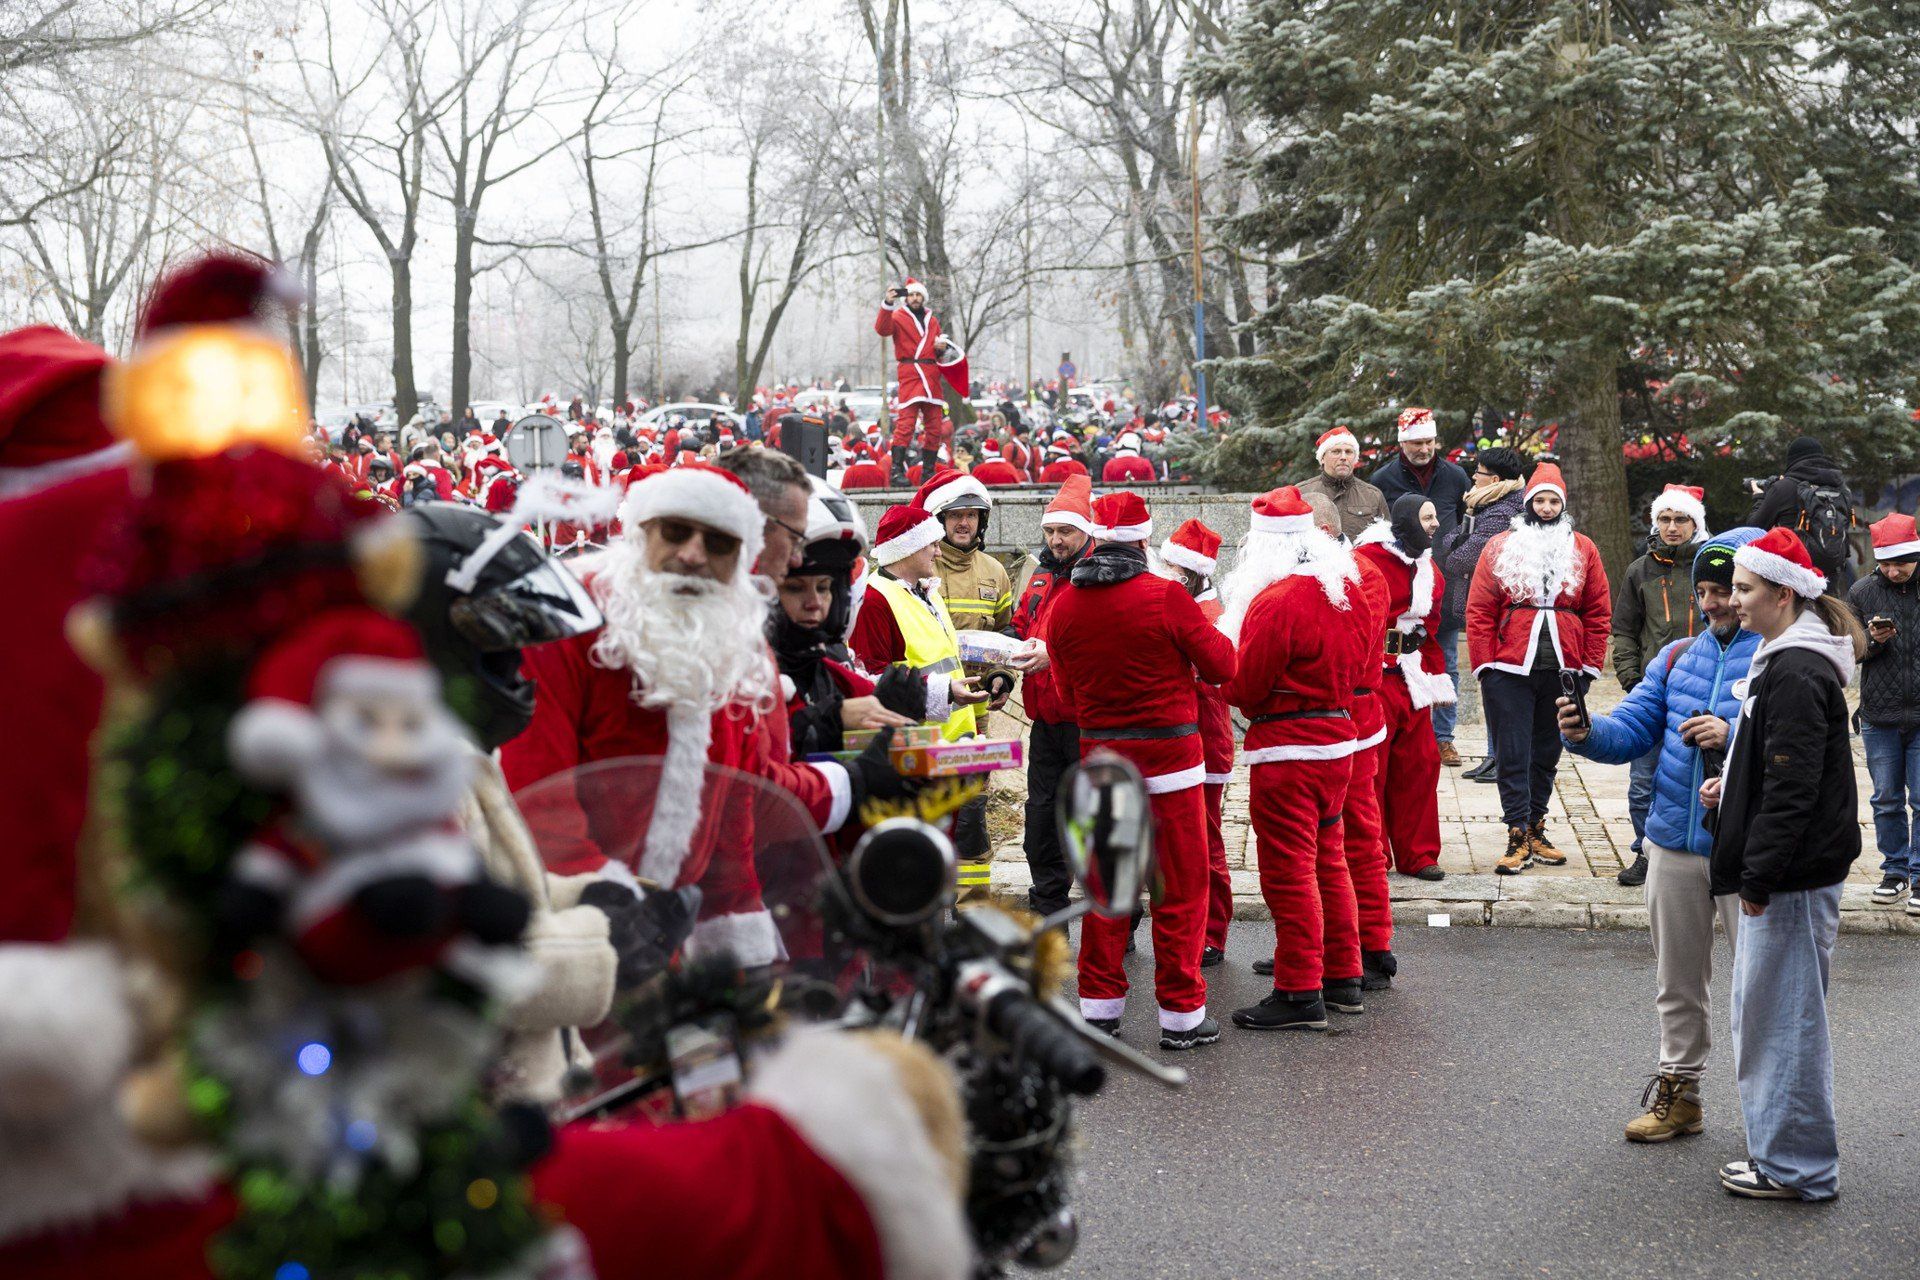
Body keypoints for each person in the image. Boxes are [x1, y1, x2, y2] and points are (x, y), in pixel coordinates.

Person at [501, 465, 911, 965]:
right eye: (676, 532)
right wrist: (610, 912)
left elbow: (736, 812)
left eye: (718, 543)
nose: (693, 554)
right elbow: (537, 800)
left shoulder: (735, 639)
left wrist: (741, 950)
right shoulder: (569, 618)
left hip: (670, 937)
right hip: (567, 933)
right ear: (642, 531)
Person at [1560, 528, 1764, 1143]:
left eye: (1727, 589)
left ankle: (1767, 1115)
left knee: (1759, 989)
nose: (1715, 603)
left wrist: (1732, 738)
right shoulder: (1675, 657)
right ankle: (1681, 1094)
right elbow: (1632, 729)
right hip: (1673, 841)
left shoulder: (1778, 658)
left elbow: (1802, 746)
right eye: (1705, 591)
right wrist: (1586, 730)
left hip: (1748, 848)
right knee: (1677, 984)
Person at [1037, 490, 1236, 1049]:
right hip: (1172, 767)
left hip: (1102, 766)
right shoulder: (1166, 596)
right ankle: (1181, 1016)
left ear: (1097, 538)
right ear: (1144, 540)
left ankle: (1100, 1011)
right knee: (1180, 891)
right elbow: (1223, 665)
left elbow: (1067, 698)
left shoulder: (1064, 607)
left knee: (1106, 890)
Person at [1701, 526, 1862, 1201]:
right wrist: (1732, 790)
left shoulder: (1795, 669)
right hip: (1790, 871)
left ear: (1783, 594)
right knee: (1770, 1015)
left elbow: (1794, 788)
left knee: (1784, 1021)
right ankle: (1783, 1156)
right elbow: (1775, 768)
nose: (1733, 600)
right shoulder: (1785, 658)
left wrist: (1759, 874)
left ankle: (1797, 1167)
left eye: (1743, 588)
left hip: (1791, 878)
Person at [1216, 487, 1370, 1031]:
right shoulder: (1345, 588)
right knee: (1330, 860)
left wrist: (1223, 681)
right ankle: (1344, 976)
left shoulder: (1276, 600)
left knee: (1289, 870)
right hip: (1338, 742)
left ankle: (1300, 989)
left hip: (1288, 750)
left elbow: (1245, 684)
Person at [1465, 462, 1611, 874]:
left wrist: (1590, 665)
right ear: (1528, 503)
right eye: (1540, 500)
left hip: (1564, 667)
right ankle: (1515, 831)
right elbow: (1480, 608)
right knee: (1512, 751)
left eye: (1553, 502)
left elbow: (1598, 610)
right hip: (1508, 666)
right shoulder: (1500, 545)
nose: (1546, 508)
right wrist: (1484, 665)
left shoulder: (1583, 547)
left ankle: (1535, 826)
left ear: (1563, 506)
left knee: (1547, 751)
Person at [1609, 484, 1710, 886]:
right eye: (1664, 519)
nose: (1672, 527)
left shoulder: (1713, 566)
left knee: (1702, 780)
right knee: (1643, 783)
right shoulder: (1640, 570)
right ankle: (1645, 852)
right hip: (1655, 693)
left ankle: (1704, 852)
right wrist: (1632, 679)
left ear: (1695, 523)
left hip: (1705, 691)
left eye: (1680, 519)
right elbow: (1624, 630)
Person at [1354, 495, 1455, 880]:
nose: (1434, 524)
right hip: (1375, 675)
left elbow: (1431, 626)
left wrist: (1432, 672)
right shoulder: (1367, 559)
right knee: (1374, 769)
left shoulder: (1429, 568)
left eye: (1435, 516)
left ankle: (1419, 854)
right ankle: (1373, 853)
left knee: (1421, 764)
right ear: (1407, 520)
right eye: (1427, 517)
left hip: (1412, 677)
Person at [1371, 406, 1472, 763]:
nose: (1424, 449)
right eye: (1416, 443)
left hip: (1443, 586)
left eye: (1429, 441)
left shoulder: (1455, 476)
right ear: (1403, 443)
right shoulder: (1383, 478)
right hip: (1401, 587)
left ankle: (1443, 737)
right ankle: (1401, 730)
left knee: (1447, 661)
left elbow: (1464, 523)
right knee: (1396, 664)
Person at [1010, 475, 1092, 916]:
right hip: (1045, 722)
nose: (1056, 540)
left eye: (1066, 531)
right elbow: (1021, 625)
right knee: (1041, 823)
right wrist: (1002, 661)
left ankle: (1114, 924)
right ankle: (1048, 914)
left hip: (1088, 724)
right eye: (1050, 531)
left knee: (1092, 824)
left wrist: (1053, 657)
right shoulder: (1041, 576)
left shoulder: (1099, 576)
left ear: (1086, 531)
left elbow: (1107, 645)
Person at [1156, 517, 1234, 967]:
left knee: (1205, 843)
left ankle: (1212, 932)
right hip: (1181, 742)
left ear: (1188, 573)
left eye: (1171, 566)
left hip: (1205, 742)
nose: (1164, 572)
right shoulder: (1185, 606)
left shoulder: (1210, 617)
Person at [1437, 446, 1528, 781]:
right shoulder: (1485, 504)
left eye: (1478, 472)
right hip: (1490, 609)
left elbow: (1463, 556)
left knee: (1499, 687)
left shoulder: (1503, 512)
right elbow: (1451, 539)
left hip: (1501, 612)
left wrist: (1456, 548)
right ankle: (1495, 756)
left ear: (1495, 478)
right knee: (1493, 684)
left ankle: (1502, 759)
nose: (1473, 477)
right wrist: (1458, 541)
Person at [1847, 512, 1920, 913]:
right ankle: (1894, 870)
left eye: (1901, 563)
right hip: (1879, 713)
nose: (1893, 572)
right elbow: (1847, 649)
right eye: (1886, 564)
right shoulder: (1862, 591)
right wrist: (1873, 641)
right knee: (1886, 798)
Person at [877, 279, 967, 485]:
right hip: (910, 373)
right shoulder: (897, 316)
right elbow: (882, 329)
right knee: (906, 425)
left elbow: (939, 349)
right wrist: (888, 303)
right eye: (911, 295)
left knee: (935, 428)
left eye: (918, 295)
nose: (915, 298)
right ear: (906, 297)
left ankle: (928, 472)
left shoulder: (932, 320)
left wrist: (942, 348)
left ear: (923, 298)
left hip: (931, 376)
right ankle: (897, 471)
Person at [1745, 435, 1856, 589]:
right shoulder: (1842, 489)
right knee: (1827, 605)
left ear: (1792, 460)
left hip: (1793, 576)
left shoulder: (1783, 487)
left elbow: (1754, 528)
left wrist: (1759, 497)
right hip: (1830, 576)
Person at [1297, 425, 1388, 539]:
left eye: (1348, 452)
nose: (1343, 457)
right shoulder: (1301, 492)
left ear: (1355, 458)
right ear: (1322, 458)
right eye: (1336, 451)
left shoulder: (1373, 495)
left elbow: (1386, 541)